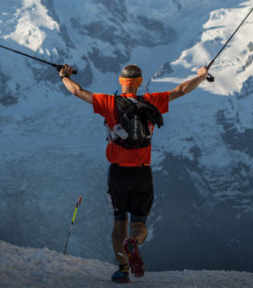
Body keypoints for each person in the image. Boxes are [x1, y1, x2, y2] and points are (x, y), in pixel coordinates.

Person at [58, 63, 209, 283]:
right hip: (142, 174)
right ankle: (134, 243)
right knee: (139, 224)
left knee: (119, 222)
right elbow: (181, 90)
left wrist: (64, 76)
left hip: (118, 174)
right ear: (139, 83)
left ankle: (122, 270)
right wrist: (202, 76)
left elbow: (78, 91)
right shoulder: (150, 101)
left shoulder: (109, 103)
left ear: (121, 81)